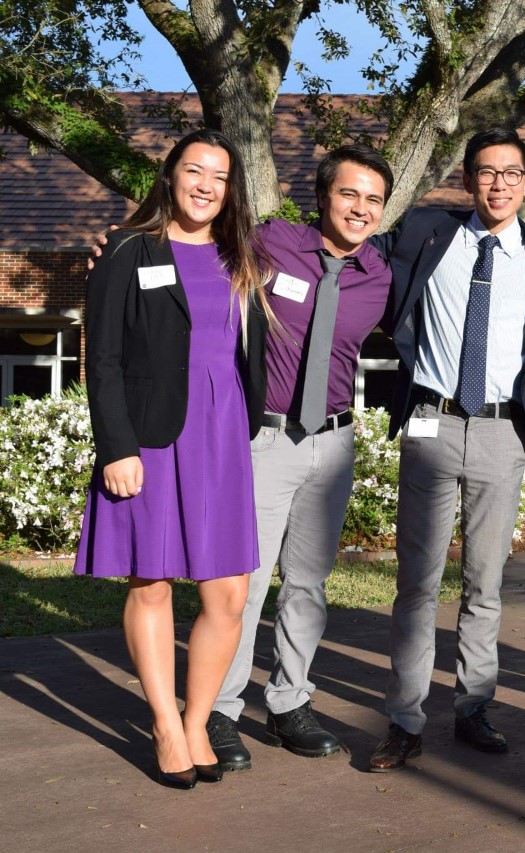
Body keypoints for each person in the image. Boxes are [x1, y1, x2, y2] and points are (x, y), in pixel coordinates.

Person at [366, 128, 525, 771]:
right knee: (417, 583)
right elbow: (338, 248)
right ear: (467, 178)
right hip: (431, 421)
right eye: (487, 172)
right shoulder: (422, 233)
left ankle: (473, 706)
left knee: (485, 582)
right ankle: (405, 719)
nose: (499, 185)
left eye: (512, 173)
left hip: (501, 431)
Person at [74, 128, 268, 789]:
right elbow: (100, 357)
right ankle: (164, 723)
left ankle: (197, 719)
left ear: (230, 188)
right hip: (152, 439)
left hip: (221, 438)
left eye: (219, 175)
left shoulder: (238, 254)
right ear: (170, 176)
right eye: (195, 170)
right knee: (151, 581)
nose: (206, 184)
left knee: (230, 595)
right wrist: (116, 447)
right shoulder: (130, 248)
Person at [202, 145, 395, 770]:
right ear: (322, 196)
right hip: (265, 440)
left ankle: (288, 702)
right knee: (247, 581)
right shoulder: (271, 243)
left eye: (373, 199)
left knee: (307, 585)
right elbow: (196, 258)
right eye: (349, 194)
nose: (360, 208)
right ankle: (220, 710)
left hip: (334, 442)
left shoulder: (380, 274)